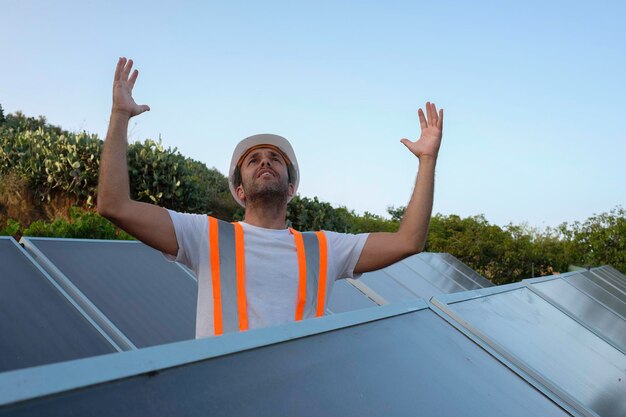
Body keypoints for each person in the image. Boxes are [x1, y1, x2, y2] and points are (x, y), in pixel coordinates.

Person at [98, 57, 443, 338]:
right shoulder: (205, 235)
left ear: (291, 189)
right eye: (253, 160)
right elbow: (114, 206)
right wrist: (119, 117)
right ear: (239, 190)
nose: (265, 160)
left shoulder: (324, 249)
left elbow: (409, 241)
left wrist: (427, 160)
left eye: (275, 159)